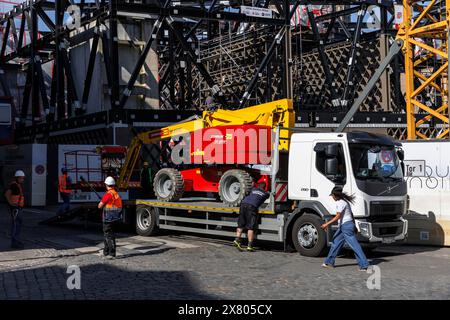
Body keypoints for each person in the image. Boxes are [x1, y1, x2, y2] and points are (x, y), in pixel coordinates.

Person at [321, 186, 370, 271]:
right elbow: (351, 215)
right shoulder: (345, 202)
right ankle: (328, 262)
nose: (332, 197)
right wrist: (354, 226)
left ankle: (364, 265)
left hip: (346, 227)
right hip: (346, 226)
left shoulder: (340, 203)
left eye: (332, 195)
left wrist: (326, 224)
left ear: (335, 195)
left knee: (355, 246)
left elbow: (337, 217)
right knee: (335, 242)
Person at [233, 181, 270, 252]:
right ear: (265, 187)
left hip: (243, 204)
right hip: (252, 207)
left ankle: (237, 239)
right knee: (251, 227)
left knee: (241, 224)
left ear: (258, 186)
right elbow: (268, 195)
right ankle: (249, 246)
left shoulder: (254, 189)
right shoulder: (265, 193)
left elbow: (250, 190)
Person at [98, 176, 123, 258]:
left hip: (107, 218)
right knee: (108, 235)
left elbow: (99, 206)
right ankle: (106, 252)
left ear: (106, 185)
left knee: (108, 235)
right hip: (115, 218)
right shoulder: (116, 194)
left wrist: (101, 202)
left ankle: (112, 253)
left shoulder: (108, 194)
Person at [4, 170, 26, 249]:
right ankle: (14, 242)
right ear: (17, 178)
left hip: (18, 208)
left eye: (23, 178)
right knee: (16, 225)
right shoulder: (14, 185)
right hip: (15, 208)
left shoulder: (17, 185)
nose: (23, 180)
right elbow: (7, 194)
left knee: (18, 224)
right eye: (21, 178)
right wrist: (11, 204)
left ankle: (16, 240)